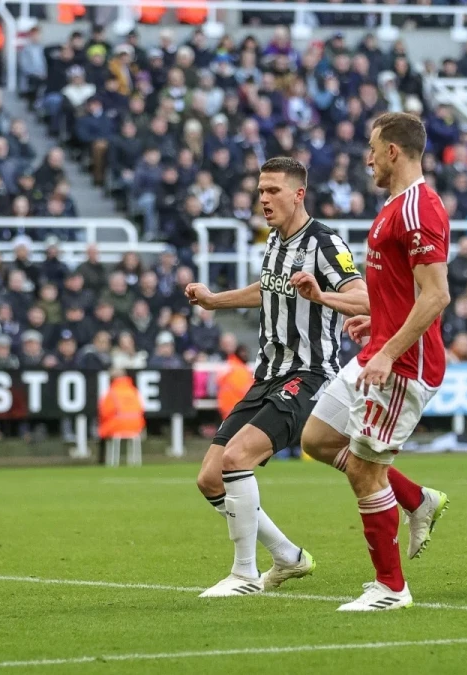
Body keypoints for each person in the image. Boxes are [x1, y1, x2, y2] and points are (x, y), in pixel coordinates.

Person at [184, 157, 368, 597]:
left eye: (273, 191)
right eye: (260, 191)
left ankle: (244, 574)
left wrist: (320, 295)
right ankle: (288, 556)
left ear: (298, 194)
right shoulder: (274, 240)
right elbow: (267, 289)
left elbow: (364, 298)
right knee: (210, 477)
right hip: (268, 374)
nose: (263, 199)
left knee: (236, 459)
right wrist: (214, 301)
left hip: (309, 374)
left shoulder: (325, 243)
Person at [299, 112, 452, 612]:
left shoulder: (419, 210)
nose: (366, 159)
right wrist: (373, 319)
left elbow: (436, 296)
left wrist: (388, 349)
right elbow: (399, 291)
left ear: (393, 151)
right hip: (379, 351)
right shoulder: (394, 206)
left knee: (365, 471)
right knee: (319, 438)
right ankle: (416, 499)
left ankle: (391, 588)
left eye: (371, 148)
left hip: (404, 366)